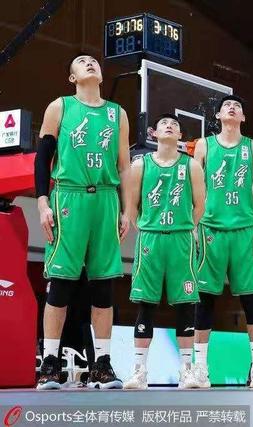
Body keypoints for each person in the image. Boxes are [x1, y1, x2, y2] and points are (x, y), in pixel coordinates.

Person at [34, 54, 131, 390]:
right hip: (68, 196)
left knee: (103, 286)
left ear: (101, 75)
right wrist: (42, 202)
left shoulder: (117, 113)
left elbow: (124, 166)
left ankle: (101, 365)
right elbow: (43, 158)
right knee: (61, 283)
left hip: (105, 199)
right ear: (72, 77)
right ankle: (50, 363)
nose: (90, 63)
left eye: (93, 61)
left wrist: (126, 210)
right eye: (81, 61)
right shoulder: (60, 107)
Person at [121, 114, 205, 389]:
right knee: (146, 304)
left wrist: (185, 227)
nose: (170, 126)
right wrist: (147, 227)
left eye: (175, 125)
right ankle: (139, 370)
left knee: (185, 304)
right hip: (151, 239)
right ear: (153, 133)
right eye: (164, 124)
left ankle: (186, 371)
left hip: (181, 239)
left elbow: (199, 206)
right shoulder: (140, 165)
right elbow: (132, 207)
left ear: (180, 136)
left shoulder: (191, 165)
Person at [192, 95, 253, 388]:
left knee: (251, 299)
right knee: (205, 298)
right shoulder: (204, 145)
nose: (232, 108)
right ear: (218, 116)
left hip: (244, 229)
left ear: (243, 117)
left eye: (237, 106)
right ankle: (200, 367)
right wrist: (193, 225)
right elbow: (193, 187)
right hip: (210, 227)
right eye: (227, 106)